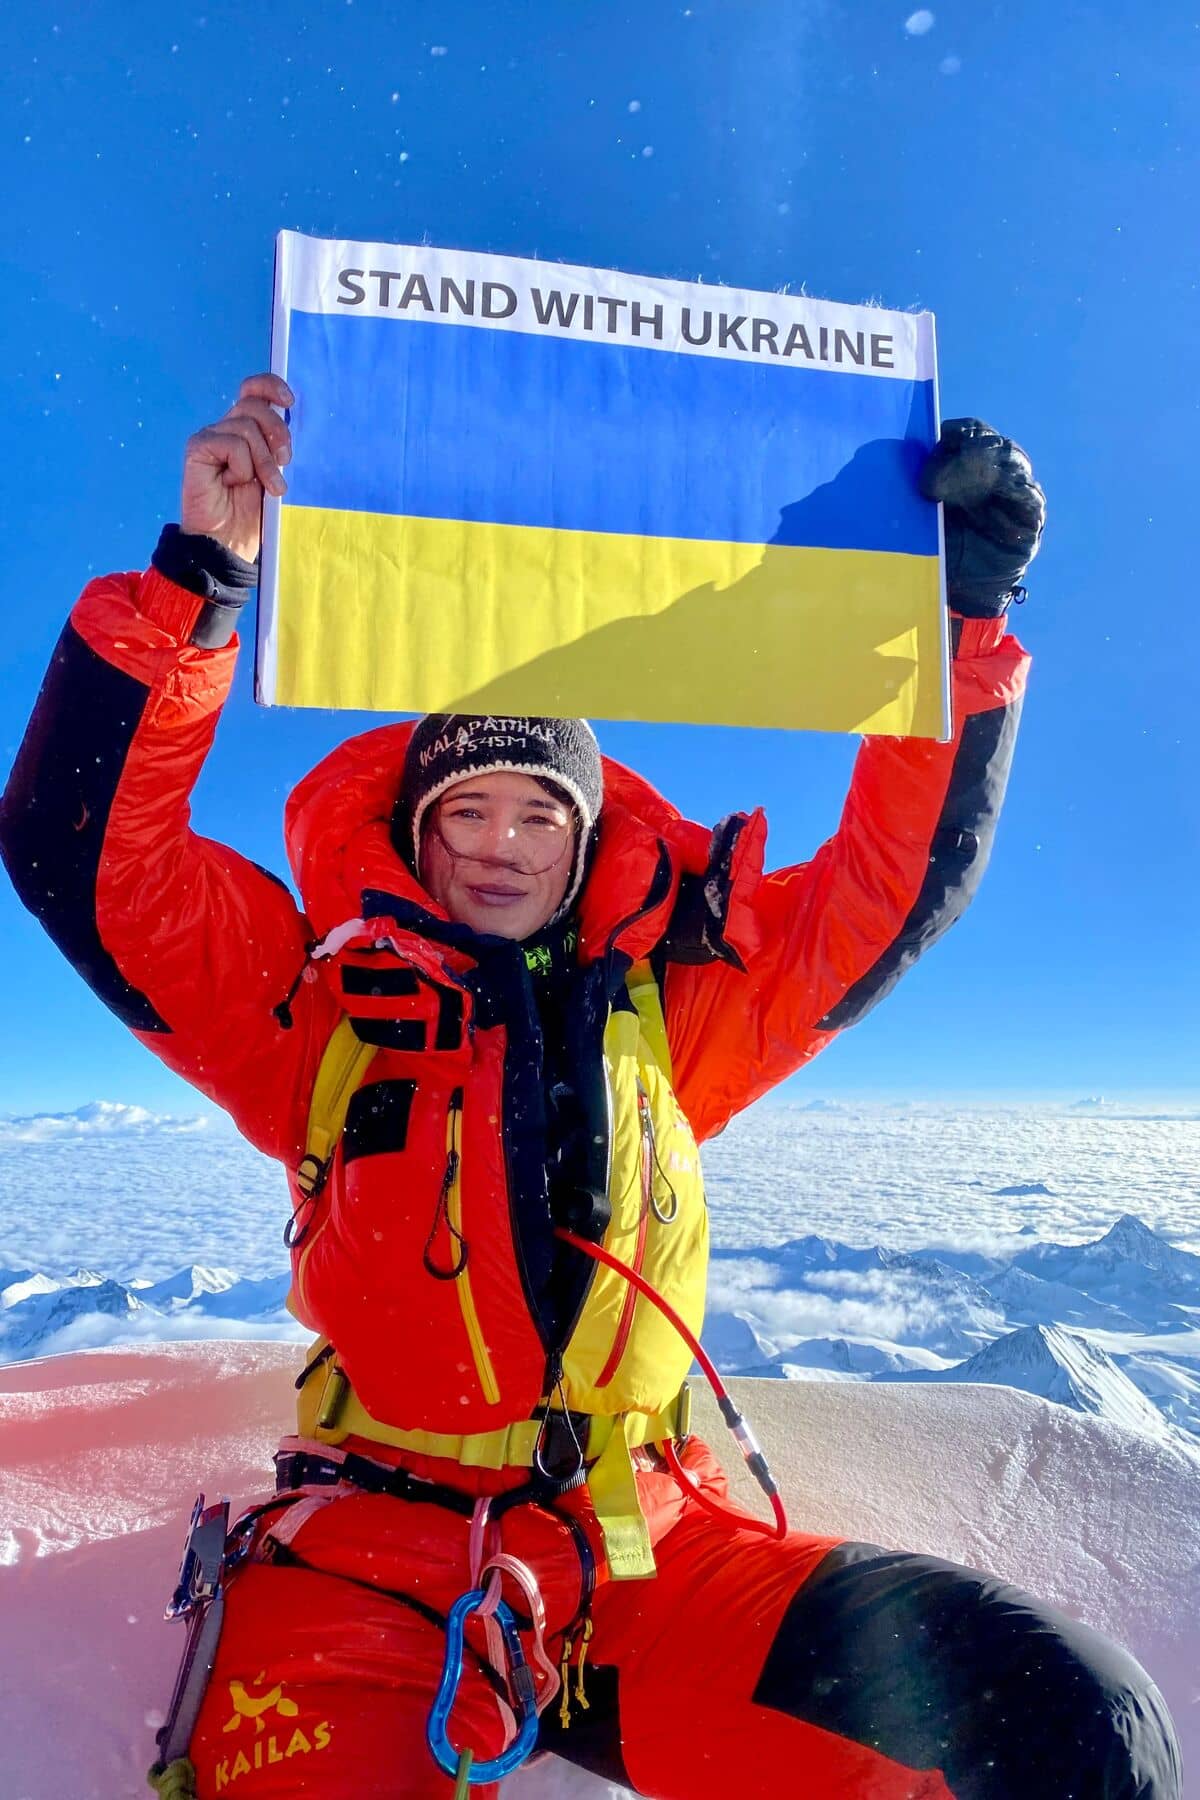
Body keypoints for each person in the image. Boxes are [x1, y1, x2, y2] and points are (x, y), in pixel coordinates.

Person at [0, 374, 1180, 1800]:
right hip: (364, 1568)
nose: (499, 845)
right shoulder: (309, 1011)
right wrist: (199, 580)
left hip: (642, 1554)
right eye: (464, 811)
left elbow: (885, 892)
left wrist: (962, 624)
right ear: (414, 837)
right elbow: (88, 859)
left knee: (1065, 1728)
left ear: (586, 843)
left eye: (537, 814)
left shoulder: (674, 1014)